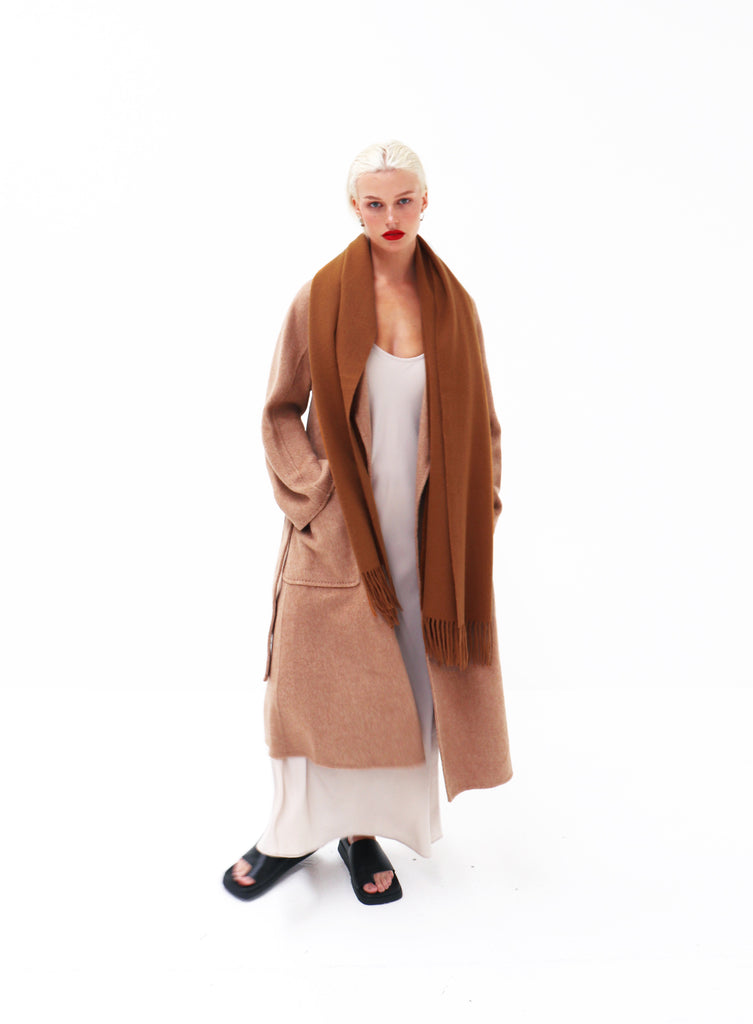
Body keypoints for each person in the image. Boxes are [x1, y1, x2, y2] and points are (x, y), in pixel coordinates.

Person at [223, 140, 512, 906]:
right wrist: (315, 497)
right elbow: (279, 411)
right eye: (374, 202)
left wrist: (479, 511)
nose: (390, 216)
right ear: (353, 208)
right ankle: (287, 834)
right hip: (340, 536)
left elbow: (483, 426)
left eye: (403, 200)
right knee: (311, 693)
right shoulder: (318, 299)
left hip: (427, 543)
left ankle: (359, 835)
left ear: (425, 202)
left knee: (398, 698)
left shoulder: (455, 308)